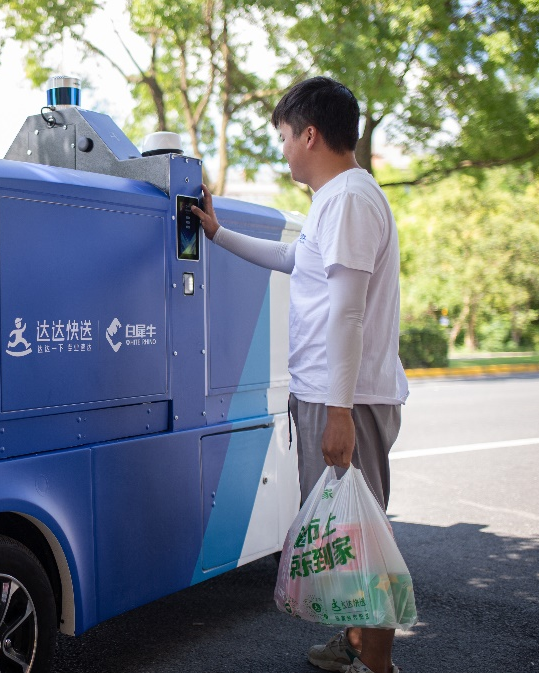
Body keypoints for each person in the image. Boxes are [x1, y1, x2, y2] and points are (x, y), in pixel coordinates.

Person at [190, 76, 409, 673]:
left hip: (349, 401)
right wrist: (216, 233)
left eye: (285, 137)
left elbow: (348, 309)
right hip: (333, 395)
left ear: (310, 135)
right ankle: (353, 639)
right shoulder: (333, 201)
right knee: (345, 535)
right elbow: (292, 260)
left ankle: (378, 663)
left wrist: (337, 411)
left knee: (362, 538)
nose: (282, 148)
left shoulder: (350, 201)